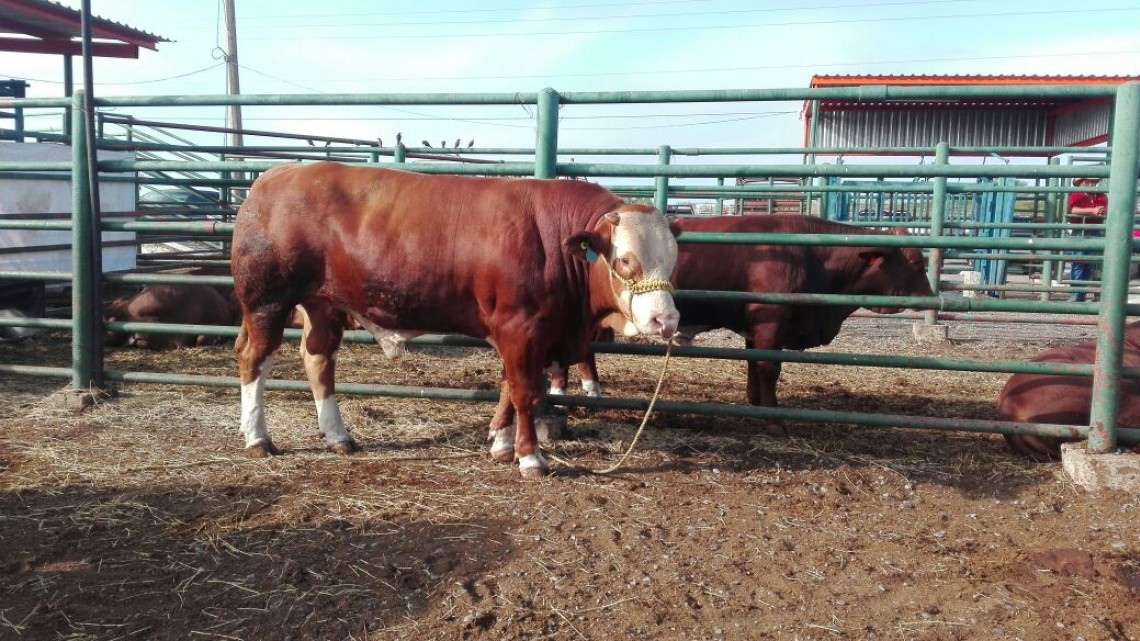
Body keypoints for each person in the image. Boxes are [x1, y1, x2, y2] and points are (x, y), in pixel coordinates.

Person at [1067, 176, 1108, 302]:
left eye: (1093, 182)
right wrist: (1093, 211)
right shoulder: (1076, 195)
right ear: (1080, 184)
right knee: (1079, 263)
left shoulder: (1101, 196)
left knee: (1091, 264)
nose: (1090, 184)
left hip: (1095, 231)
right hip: (1080, 231)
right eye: (1087, 182)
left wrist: (1100, 211)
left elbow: (1104, 209)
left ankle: (1083, 293)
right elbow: (1073, 210)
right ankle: (1077, 294)